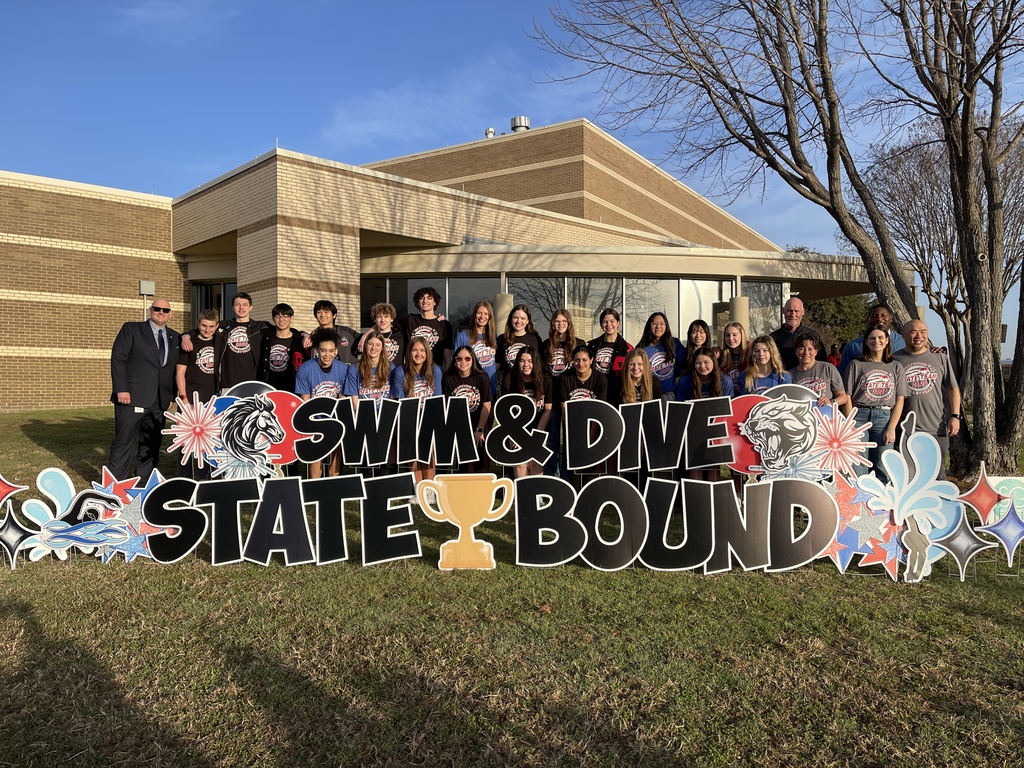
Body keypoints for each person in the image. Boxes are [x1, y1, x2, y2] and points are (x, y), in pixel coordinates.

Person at [108, 298, 181, 480]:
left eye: (165, 310)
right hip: (131, 397)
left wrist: (171, 395)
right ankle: (116, 485)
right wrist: (121, 389)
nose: (161, 312)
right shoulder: (131, 329)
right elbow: (118, 359)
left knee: (151, 444)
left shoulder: (175, 337)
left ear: (170, 314)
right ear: (150, 310)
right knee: (124, 442)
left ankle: (144, 482)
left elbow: (170, 370)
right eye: (157, 309)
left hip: (160, 402)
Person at [894, 319, 961, 480]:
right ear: (903, 335)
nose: (919, 336)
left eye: (923, 331)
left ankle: (941, 504)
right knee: (908, 476)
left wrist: (955, 416)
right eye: (913, 331)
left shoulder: (940, 358)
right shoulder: (894, 360)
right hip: (904, 429)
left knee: (937, 475)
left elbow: (952, 388)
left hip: (936, 428)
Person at [844, 324, 908, 480]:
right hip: (859, 416)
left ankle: (883, 502)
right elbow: (847, 396)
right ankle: (860, 502)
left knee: (883, 462)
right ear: (866, 341)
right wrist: (850, 424)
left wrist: (892, 427)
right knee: (858, 462)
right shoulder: (856, 365)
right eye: (872, 338)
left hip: (884, 416)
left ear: (887, 341)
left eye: (880, 337)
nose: (876, 341)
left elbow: (900, 400)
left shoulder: (895, 366)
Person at [295, 329, 351, 479]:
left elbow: (343, 398)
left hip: (335, 417)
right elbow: (305, 400)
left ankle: (333, 480)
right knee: (316, 447)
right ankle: (315, 483)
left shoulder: (344, 369)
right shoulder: (305, 369)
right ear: (317, 350)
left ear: (336, 351)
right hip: (314, 417)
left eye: (331, 351)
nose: (327, 355)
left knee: (336, 446)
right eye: (323, 350)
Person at [174, 309, 223, 479]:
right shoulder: (189, 342)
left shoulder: (219, 341)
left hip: (211, 401)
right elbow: (179, 373)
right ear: (198, 324)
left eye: (211, 326)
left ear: (216, 326)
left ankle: (206, 477)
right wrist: (184, 399)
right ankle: (185, 478)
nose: (207, 330)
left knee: (209, 441)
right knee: (185, 441)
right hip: (189, 400)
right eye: (203, 325)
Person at [390, 336, 444, 484]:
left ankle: (430, 486)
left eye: (422, 350)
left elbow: (437, 398)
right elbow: (401, 400)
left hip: (429, 416)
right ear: (409, 352)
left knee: (429, 453)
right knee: (413, 454)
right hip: (410, 416)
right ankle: (417, 487)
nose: (418, 354)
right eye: (414, 350)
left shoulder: (435, 370)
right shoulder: (400, 371)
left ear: (427, 353)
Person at [676, 347, 734, 480]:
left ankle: (713, 497)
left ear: (713, 361)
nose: (702, 366)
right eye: (698, 363)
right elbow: (680, 409)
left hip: (715, 430)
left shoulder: (725, 381)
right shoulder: (686, 381)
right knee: (695, 468)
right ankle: (696, 498)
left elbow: (728, 409)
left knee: (713, 467)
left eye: (706, 362)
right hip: (693, 430)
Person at [560, 344, 609, 489]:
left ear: (592, 360)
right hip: (574, 426)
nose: (580, 363)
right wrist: (571, 430)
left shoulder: (600, 379)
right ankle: (574, 492)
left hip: (593, 425)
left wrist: (591, 436)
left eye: (584, 360)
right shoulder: (565, 378)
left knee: (592, 461)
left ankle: (592, 492)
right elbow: (564, 406)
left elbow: (600, 409)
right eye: (577, 360)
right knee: (574, 463)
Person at [442, 345, 493, 471]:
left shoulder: (482, 377)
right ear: (454, 361)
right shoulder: (448, 379)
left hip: (479, 421)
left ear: (473, 360)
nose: (463, 362)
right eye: (459, 359)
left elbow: (486, 405)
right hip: (460, 423)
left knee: (481, 460)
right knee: (463, 464)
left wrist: (479, 429)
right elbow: (448, 407)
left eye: (467, 359)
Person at [504, 347, 552, 477]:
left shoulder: (545, 380)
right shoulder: (510, 379)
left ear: (535, 362)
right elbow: (506, 411)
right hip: (517, 429)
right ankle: (522, 496)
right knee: (520, 462)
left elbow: (548, 410)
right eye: (522, 361)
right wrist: (513, 434)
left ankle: (536, 496)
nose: (526, 365)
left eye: (530, 361)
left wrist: (538, 434)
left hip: (539, 427)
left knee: (535, 462)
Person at [540, 309, 577, 476]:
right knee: (552, 441)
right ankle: (552, 478)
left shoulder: (578, 343)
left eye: (564, 321)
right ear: (552, 324)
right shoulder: (546, 344)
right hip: (552, 399)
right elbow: (541, 373)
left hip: (572, 399)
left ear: (569, 324)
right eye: (557, 321)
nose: (560, 324)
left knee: (571, 442)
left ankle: (568, 479)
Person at [788, 332, 850, 412]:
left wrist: (830, 403)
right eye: (802, 348)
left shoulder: (828, 368)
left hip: (826, 418)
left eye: (810, 349)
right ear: (796, 351)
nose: (806, 353)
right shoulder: (789, 375)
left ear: (816, 351)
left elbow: (843, 397)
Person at [838, 303, 906, 375]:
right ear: (868, 319)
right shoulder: (853, 346)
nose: (879, 319)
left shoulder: (903, 342)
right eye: (874, 316)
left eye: (884, 316)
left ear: (891, 318)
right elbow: (843, 374)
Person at [400, 286, 453, 370]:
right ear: (417, 302)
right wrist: (372, 330)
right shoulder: (410, 320)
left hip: (434, 371)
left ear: (435, 302)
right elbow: (386, 323)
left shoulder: (444, 324)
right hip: (412, 371)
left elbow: (448, 353)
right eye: (421, 298)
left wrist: (446, 374)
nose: (425, 301)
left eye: (429, 298)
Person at [258, 303, 308, 392]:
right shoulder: (266, 337)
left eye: (285, 316)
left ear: (292, 318)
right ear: (273, 318)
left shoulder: (299, 340)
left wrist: (305, 335)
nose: (281, 320)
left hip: (292, 387)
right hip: (268, 386)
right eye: (277, 316)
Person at [589, 308, 632, 405]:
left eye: (612, 321)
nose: (608, 325)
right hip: (596, 391)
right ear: (601, 324)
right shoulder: (592, 346)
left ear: (618, 323)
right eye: (605, 322)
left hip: (617, 394)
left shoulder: (627, 348)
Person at [638, 312, 685, 400]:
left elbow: (686, 362)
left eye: (662, 323)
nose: (658, 326)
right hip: (649, 395)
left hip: (669, 394)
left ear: (666, 326)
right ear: (649, 325)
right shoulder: (642, 348)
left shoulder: (674, 344)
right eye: (654, 323)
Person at [770, 296, 827, 370]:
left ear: (802, 312)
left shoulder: (813, 335)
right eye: (789, 311)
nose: (793, 315)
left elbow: (823, 362)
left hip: (808, 379)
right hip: (783, 379)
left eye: (796, 311)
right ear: (783, 311)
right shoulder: (774, 337)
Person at [453, 300, 498, 393]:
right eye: (479, 313)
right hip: (470, 387)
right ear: (474, 315)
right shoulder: (463, 336)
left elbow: (497, 361)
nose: (482, 316)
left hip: (490, 386)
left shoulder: (494, 337)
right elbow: (456, 362)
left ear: (490, 317)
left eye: (486, 313)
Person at [496, 304, 543, 390]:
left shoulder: (535, 339)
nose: (518, 321)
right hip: (509, 387)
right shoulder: (502, 339)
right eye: (515, 317)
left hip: (530, 387)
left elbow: (539, 365)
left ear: (528, 321)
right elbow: (496, 365)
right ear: (510, 319)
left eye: (522, 318)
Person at [344, 330, 392, 405]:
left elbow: (393, 398)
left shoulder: (391, 367)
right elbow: (355, 403)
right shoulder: (354, 369)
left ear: (382, 347)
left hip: (385, 414)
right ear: (365, 345)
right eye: (370, 344)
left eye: (378, 345)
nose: (374, 348)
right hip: (364, 413)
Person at [313, 299, 358, 365]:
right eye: (319, 312)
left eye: (326, 312)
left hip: (347, 373)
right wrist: (304, 334)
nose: (322, 315)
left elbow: (368, 338)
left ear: (334, 315)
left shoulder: (346, 332)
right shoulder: (314, 336)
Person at [719, 321, 750, 392]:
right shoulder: (721, 356)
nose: (730, 338)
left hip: (746, 395)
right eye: (727, 335)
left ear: (742, 335)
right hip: (730, 396)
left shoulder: (751, 353)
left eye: (734, 335)